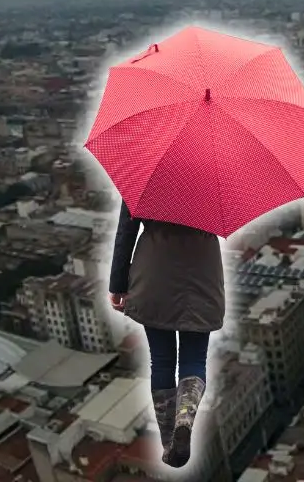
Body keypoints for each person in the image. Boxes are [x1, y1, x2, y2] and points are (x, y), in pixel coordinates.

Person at [108, 200, 225, 469]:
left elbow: (126, 231)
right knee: (194, 359)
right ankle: (185, 420)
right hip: (202, 271)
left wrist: (118, 284)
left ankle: (169, 442)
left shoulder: (146, 174)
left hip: (154, 270)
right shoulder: (213, 177)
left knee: (161, 360)